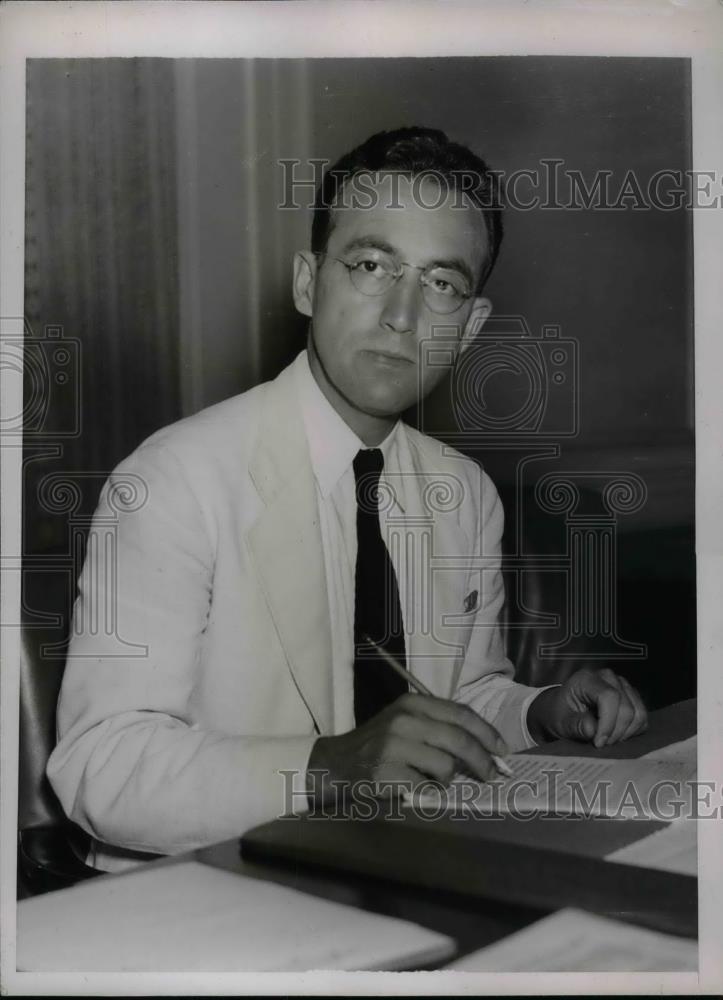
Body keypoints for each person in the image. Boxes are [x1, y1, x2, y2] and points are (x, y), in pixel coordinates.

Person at [47, 127, 647, 871]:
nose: (402, 315)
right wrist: (327, 767)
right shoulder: (176, 478)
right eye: (370, 265)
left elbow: (457, 698)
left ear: (469, 327)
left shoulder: (462, 493)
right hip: (208, 892)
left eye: (441, 284)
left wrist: (538, 709)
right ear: (308, 282)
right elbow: (100, 767)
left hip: (403, 868)